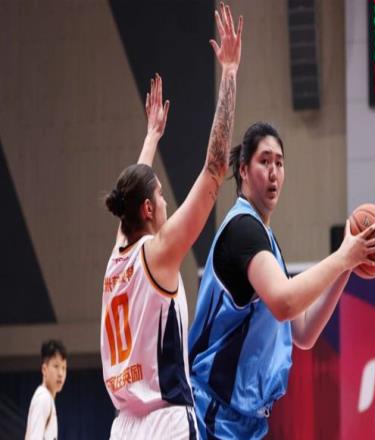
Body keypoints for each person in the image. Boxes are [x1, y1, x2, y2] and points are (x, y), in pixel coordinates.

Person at [189, 122, 375, 439]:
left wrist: (347, 266)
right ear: (243, 170)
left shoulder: (265, 239)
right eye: (264, 161)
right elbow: (284, 303)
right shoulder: (243, 230)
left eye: (279, 163)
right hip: (211, 412)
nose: (273, 172)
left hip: (245, 420)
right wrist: (342, 257)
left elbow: (304, 332)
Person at [100, 3, 242, 439]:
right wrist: (230, 73)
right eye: (160, 195)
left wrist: (151, 137)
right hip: (166, 422)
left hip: (123, 425)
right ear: (147, 209)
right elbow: (215, 169)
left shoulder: (117, 259)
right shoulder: (158, 255)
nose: (165, 202)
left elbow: (130, 197)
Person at [25, 340, 67, 440]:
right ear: (44, 369)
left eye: (64, 368)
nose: (60, 373)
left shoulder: (47, 398)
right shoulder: (43, 398)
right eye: (56, 366)